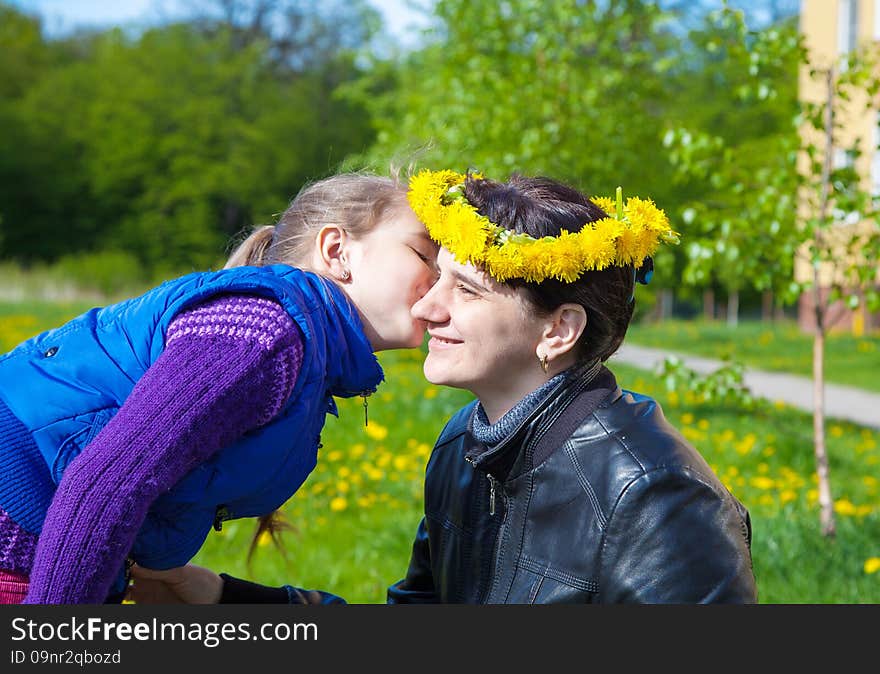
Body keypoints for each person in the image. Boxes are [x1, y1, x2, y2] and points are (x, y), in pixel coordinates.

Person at [129, 169, 758, 604]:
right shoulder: (464, 447)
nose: (427, 308)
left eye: (467, 290)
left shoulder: (653, 493)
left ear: (559, 329)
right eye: (437, 277)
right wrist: (215, 597)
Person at [0, 171, 439, 604]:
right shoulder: (263, 331)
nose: (441, 281)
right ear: (337, 250)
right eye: (424, 255)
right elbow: (103, 485)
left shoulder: (303, 351)